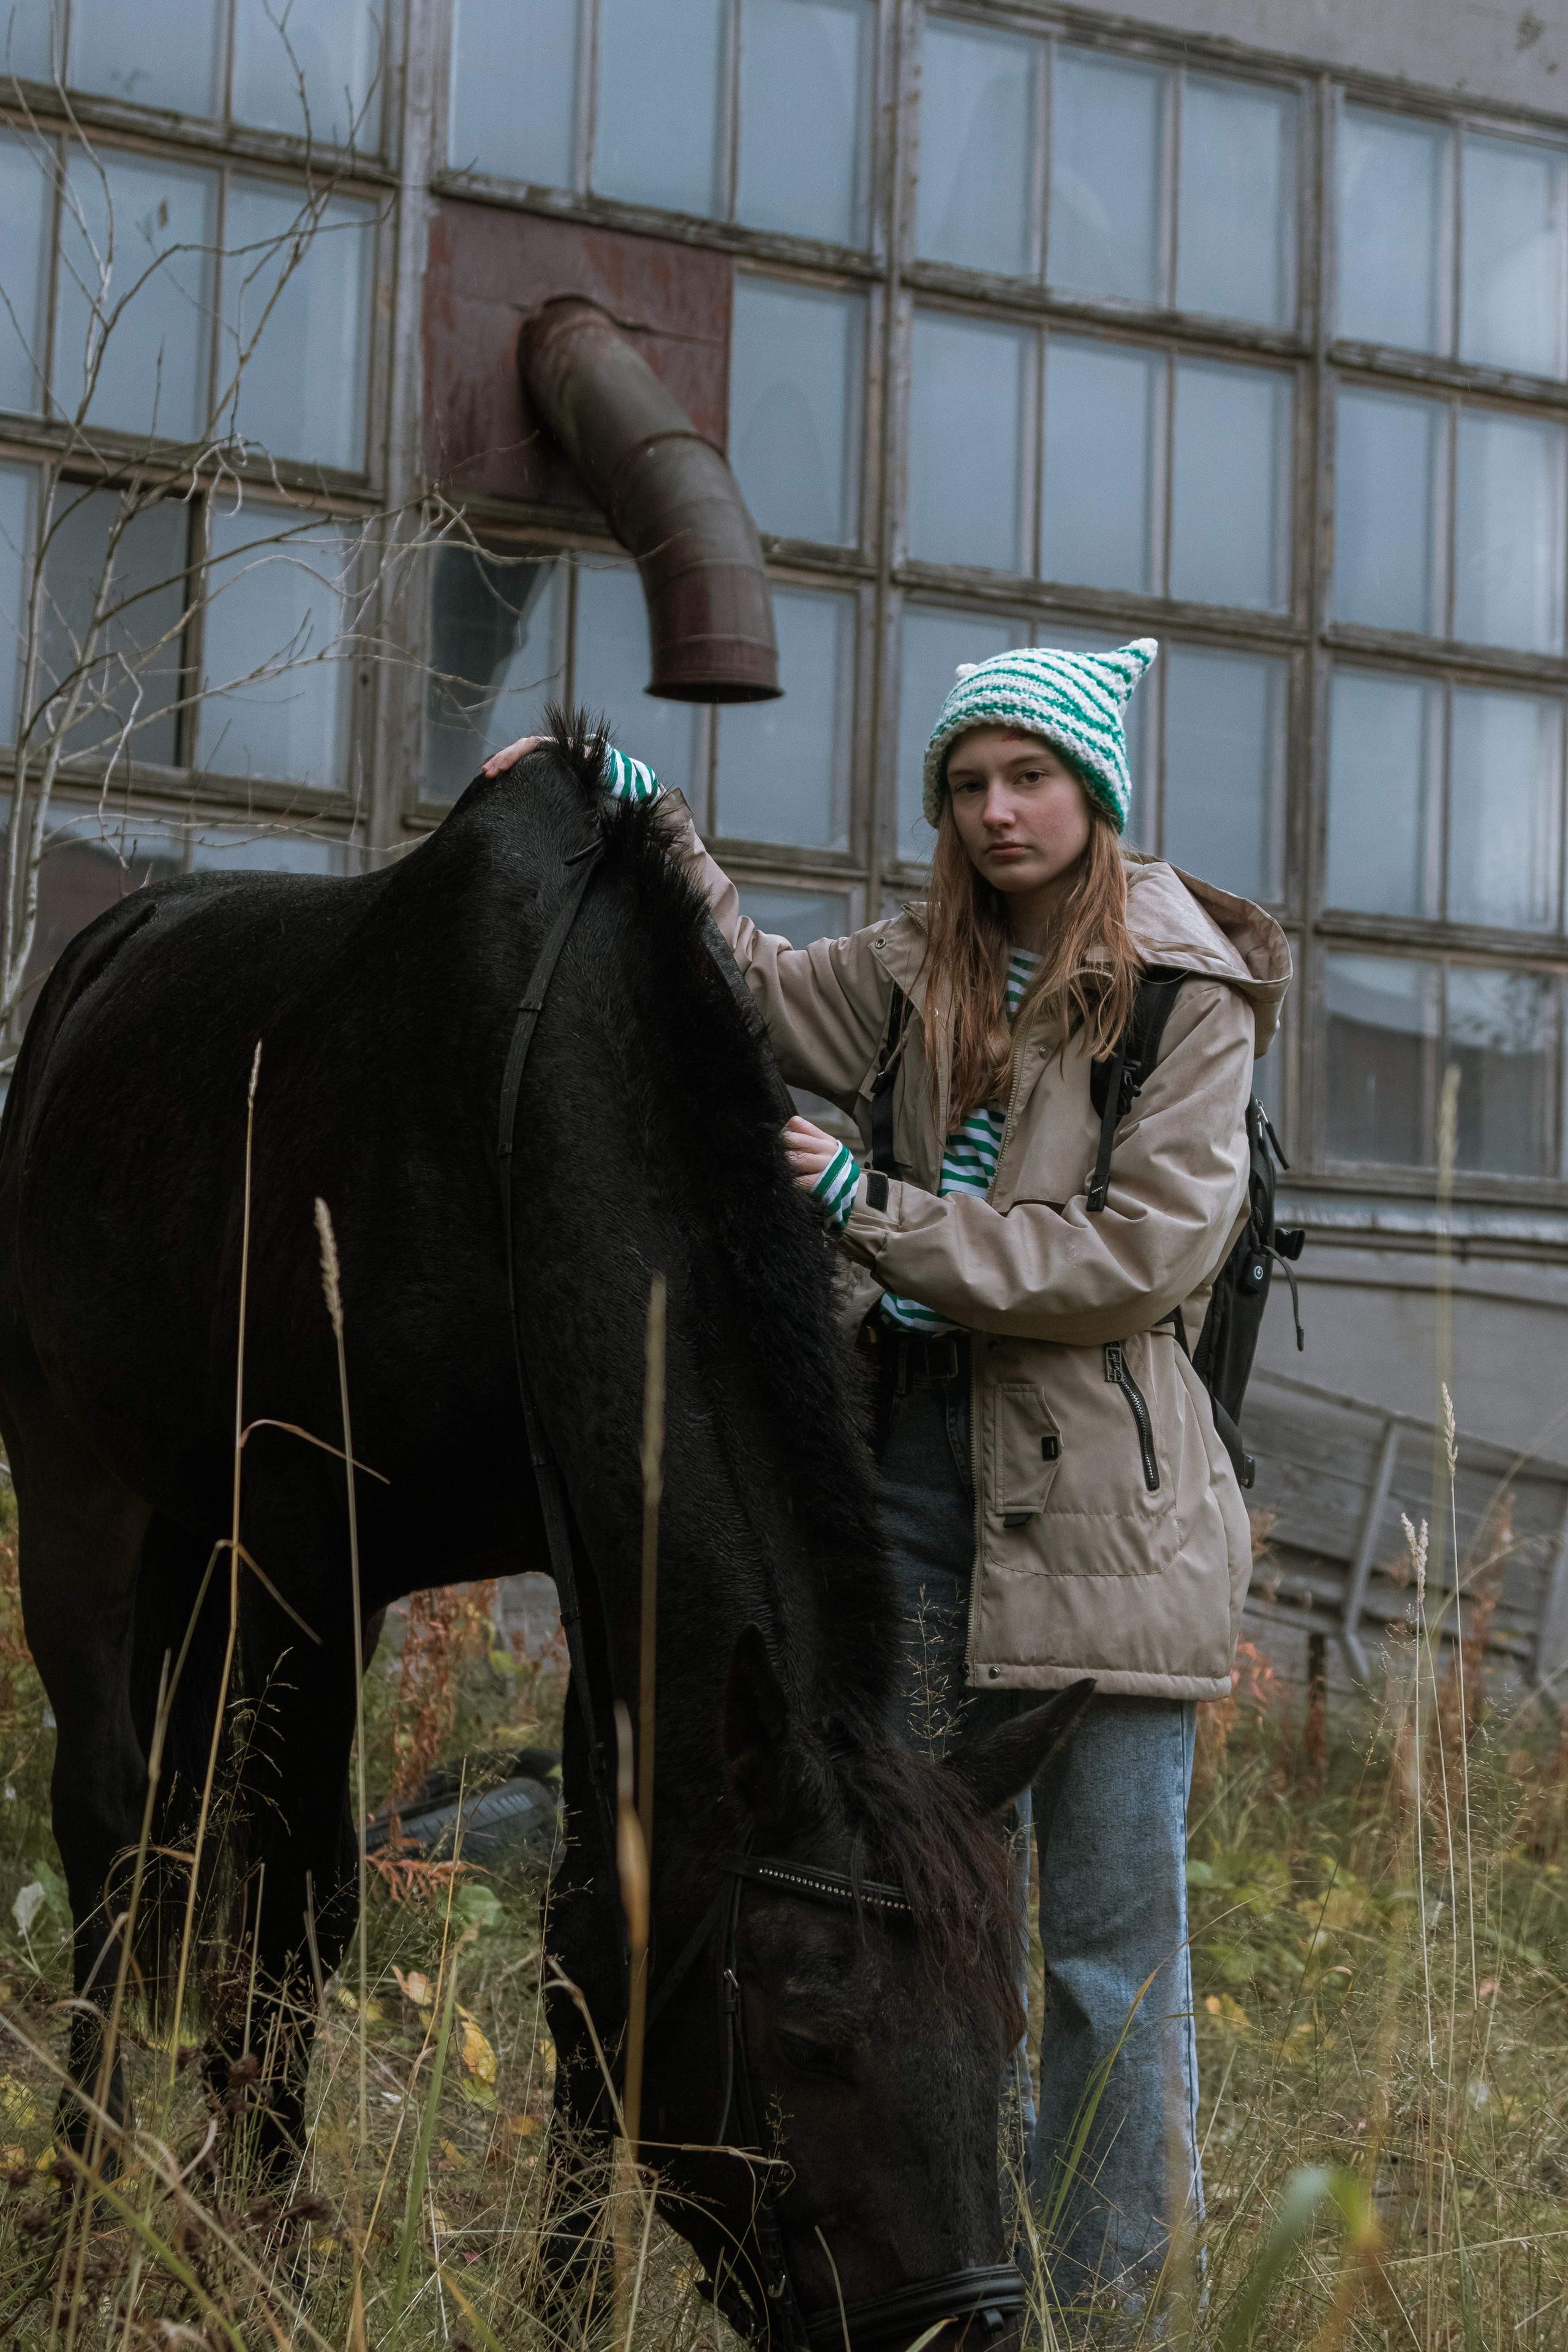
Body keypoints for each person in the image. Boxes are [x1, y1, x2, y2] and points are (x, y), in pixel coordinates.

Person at [483, 640, 1290, 2325]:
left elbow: (1137, 1257)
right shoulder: (930, 959)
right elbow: (765, 992)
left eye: (1029, 780)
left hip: (1115, 1544)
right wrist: (646, 813)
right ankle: (957, 2295)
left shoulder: (1183, 993)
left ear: (1097, 799)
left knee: (1107, 1959)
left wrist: (876, 1206)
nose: (996, 814)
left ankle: (1115, 2307)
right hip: (909, 1513)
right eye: (968, 785)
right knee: (922, 1949)